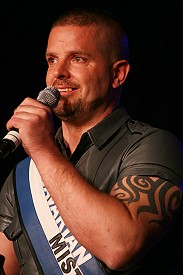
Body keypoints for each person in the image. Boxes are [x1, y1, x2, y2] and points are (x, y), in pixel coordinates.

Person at [0, 7, 183, 275]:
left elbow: (119, 247)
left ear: (118, 74)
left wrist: (41, 148)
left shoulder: (156, 146)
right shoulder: (23, 176)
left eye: (78, 59)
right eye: (52, 60)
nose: (58, 73)